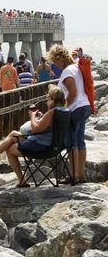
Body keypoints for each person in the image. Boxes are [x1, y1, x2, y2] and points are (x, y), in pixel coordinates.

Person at [0, 86, 69, 187]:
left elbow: (35, 129)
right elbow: (50, 126)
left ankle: (22, 180)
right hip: (54, 145)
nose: (47, 99)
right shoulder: (65, 111)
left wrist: (32, 116)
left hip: (43, 146)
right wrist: (42, 116)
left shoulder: (52, 112)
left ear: (52, 99)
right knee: (13, 134)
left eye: (48, 96)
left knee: (9, 149)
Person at [47, 44, 92, 184]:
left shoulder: (67, 72)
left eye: (55, 61)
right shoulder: (76, 68)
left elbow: (73, 93)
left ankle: (73, 176)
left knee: (71, 143)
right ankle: (80, 175)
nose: (55, 65)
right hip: (85, 106)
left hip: (75, 109)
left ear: (60, 59)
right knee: (80, 141)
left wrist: (62, 108)